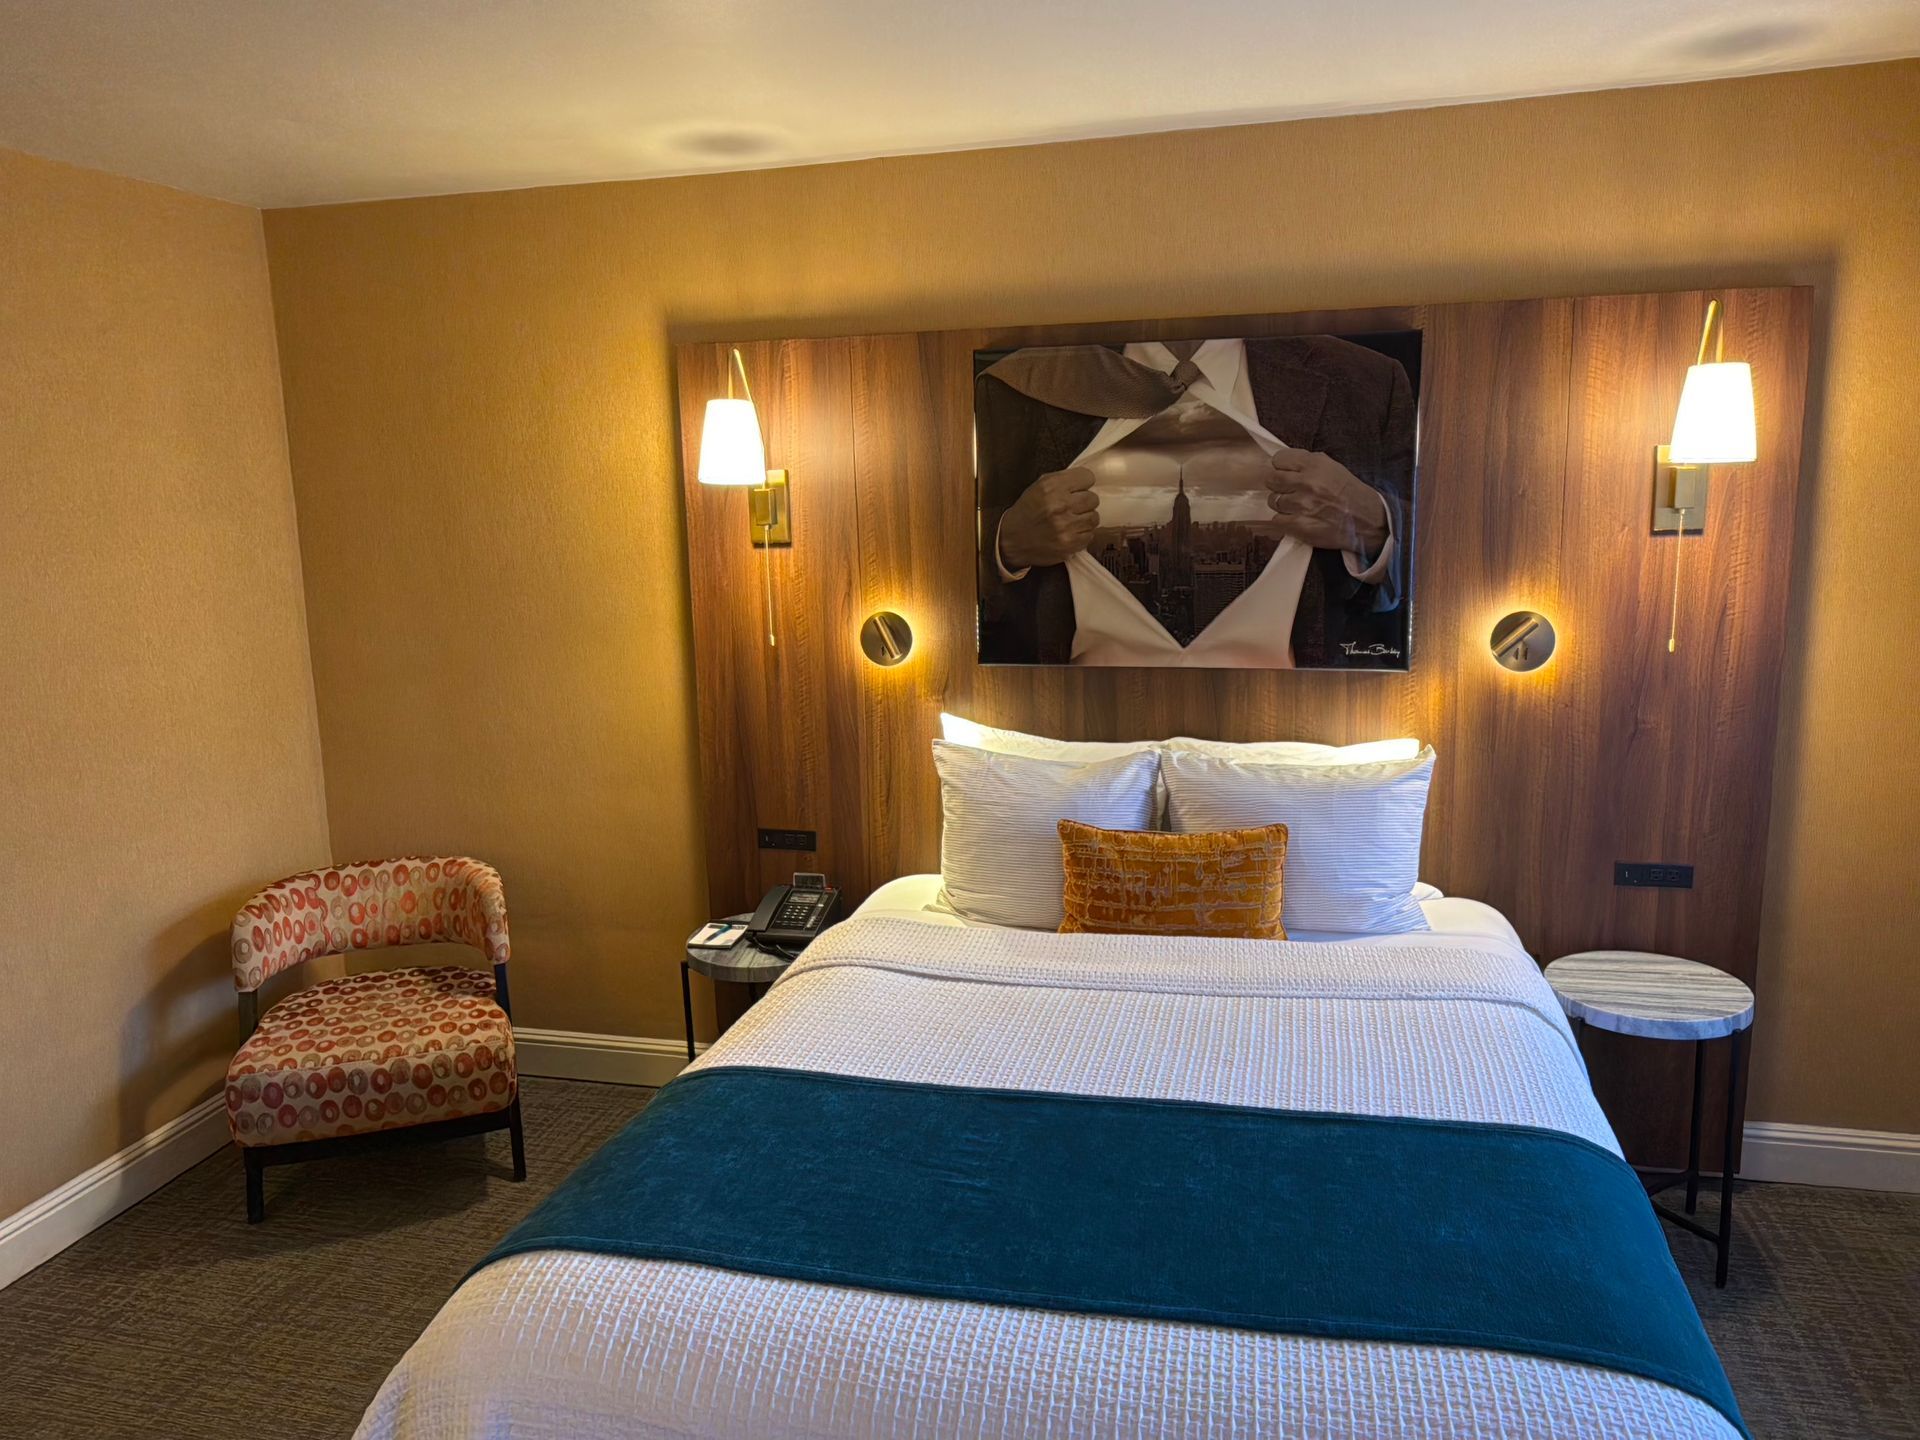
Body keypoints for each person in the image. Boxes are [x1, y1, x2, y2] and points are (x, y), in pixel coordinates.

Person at [975, 334, 1415, 668]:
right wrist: (1004, 542)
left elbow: (1451, 571)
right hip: (1074, 721)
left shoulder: (1366, 383)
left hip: (1308, 727)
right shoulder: (1022, 386)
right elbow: (941, 575)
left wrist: (1373, 523)